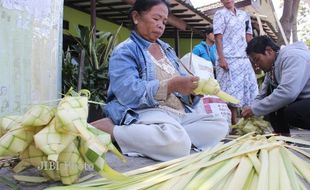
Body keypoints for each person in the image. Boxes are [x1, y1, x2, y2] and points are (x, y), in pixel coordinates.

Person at [91, 0, 229, 161]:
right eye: (156, 19)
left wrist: (193, 90)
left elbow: (182, 84)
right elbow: (128, 93)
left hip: (178, 115)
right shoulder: (125, 51)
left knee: (220, 125)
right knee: (177, 143)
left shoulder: (167, 50)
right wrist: (170, 86)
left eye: (164, 21)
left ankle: (159, 139)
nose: (161, 25)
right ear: (136, 17)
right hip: (147, 111)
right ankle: (114, 131)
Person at [242, 35, 310, 135]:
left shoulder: (292, 57)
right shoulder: (272, 67)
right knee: (271, 95)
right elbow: (263, 95)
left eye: (257, 59)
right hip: (305, 100)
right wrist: (252, 108)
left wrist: (254, 109)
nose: (256, 65)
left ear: (269, 51)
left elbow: (288, 93)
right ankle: (281, 135)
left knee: (293, 112)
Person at [213, 0, 258, 125]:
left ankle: (249, 123)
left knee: (249, 90)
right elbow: (218, 37)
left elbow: (249, 37)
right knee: (230, 93)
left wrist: (255, 57)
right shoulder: (220, 14)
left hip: (244, 58)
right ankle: (232, 123)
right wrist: (221, 58)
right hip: (228, 59)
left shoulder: (244, 15)